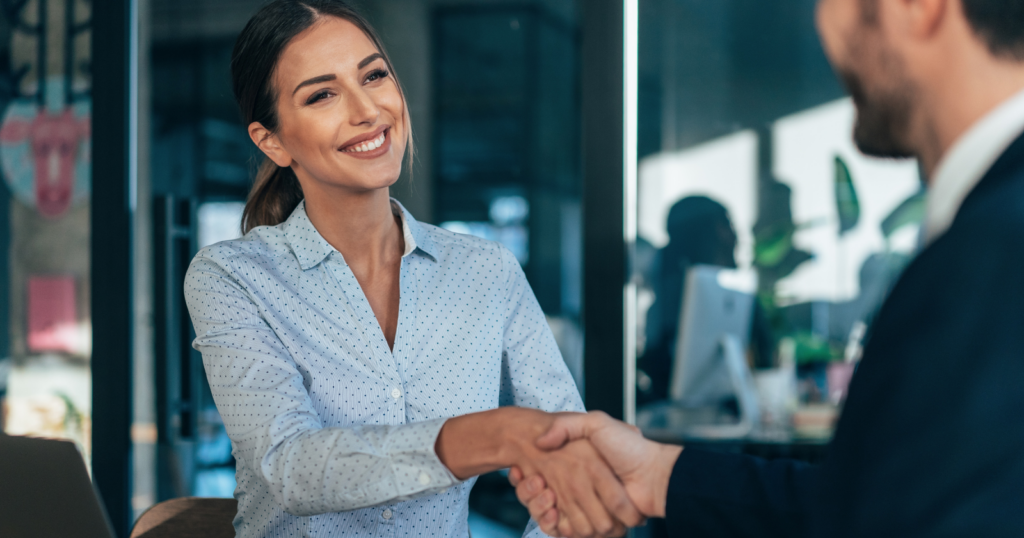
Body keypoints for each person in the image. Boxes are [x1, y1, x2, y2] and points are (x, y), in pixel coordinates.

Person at [512, 0, 1024, 536]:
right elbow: (880, 500)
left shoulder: (992, 254)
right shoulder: (989, 237)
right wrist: (660, 476)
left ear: (917, 7)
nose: (824, 29)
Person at [183, 1, 642, 536]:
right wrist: (489, 436)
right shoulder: (232, 276)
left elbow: (569, 455)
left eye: (374, 75)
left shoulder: (485, 271)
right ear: (273, 141)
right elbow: (290, 468)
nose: (367, 111)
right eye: (322, 94)